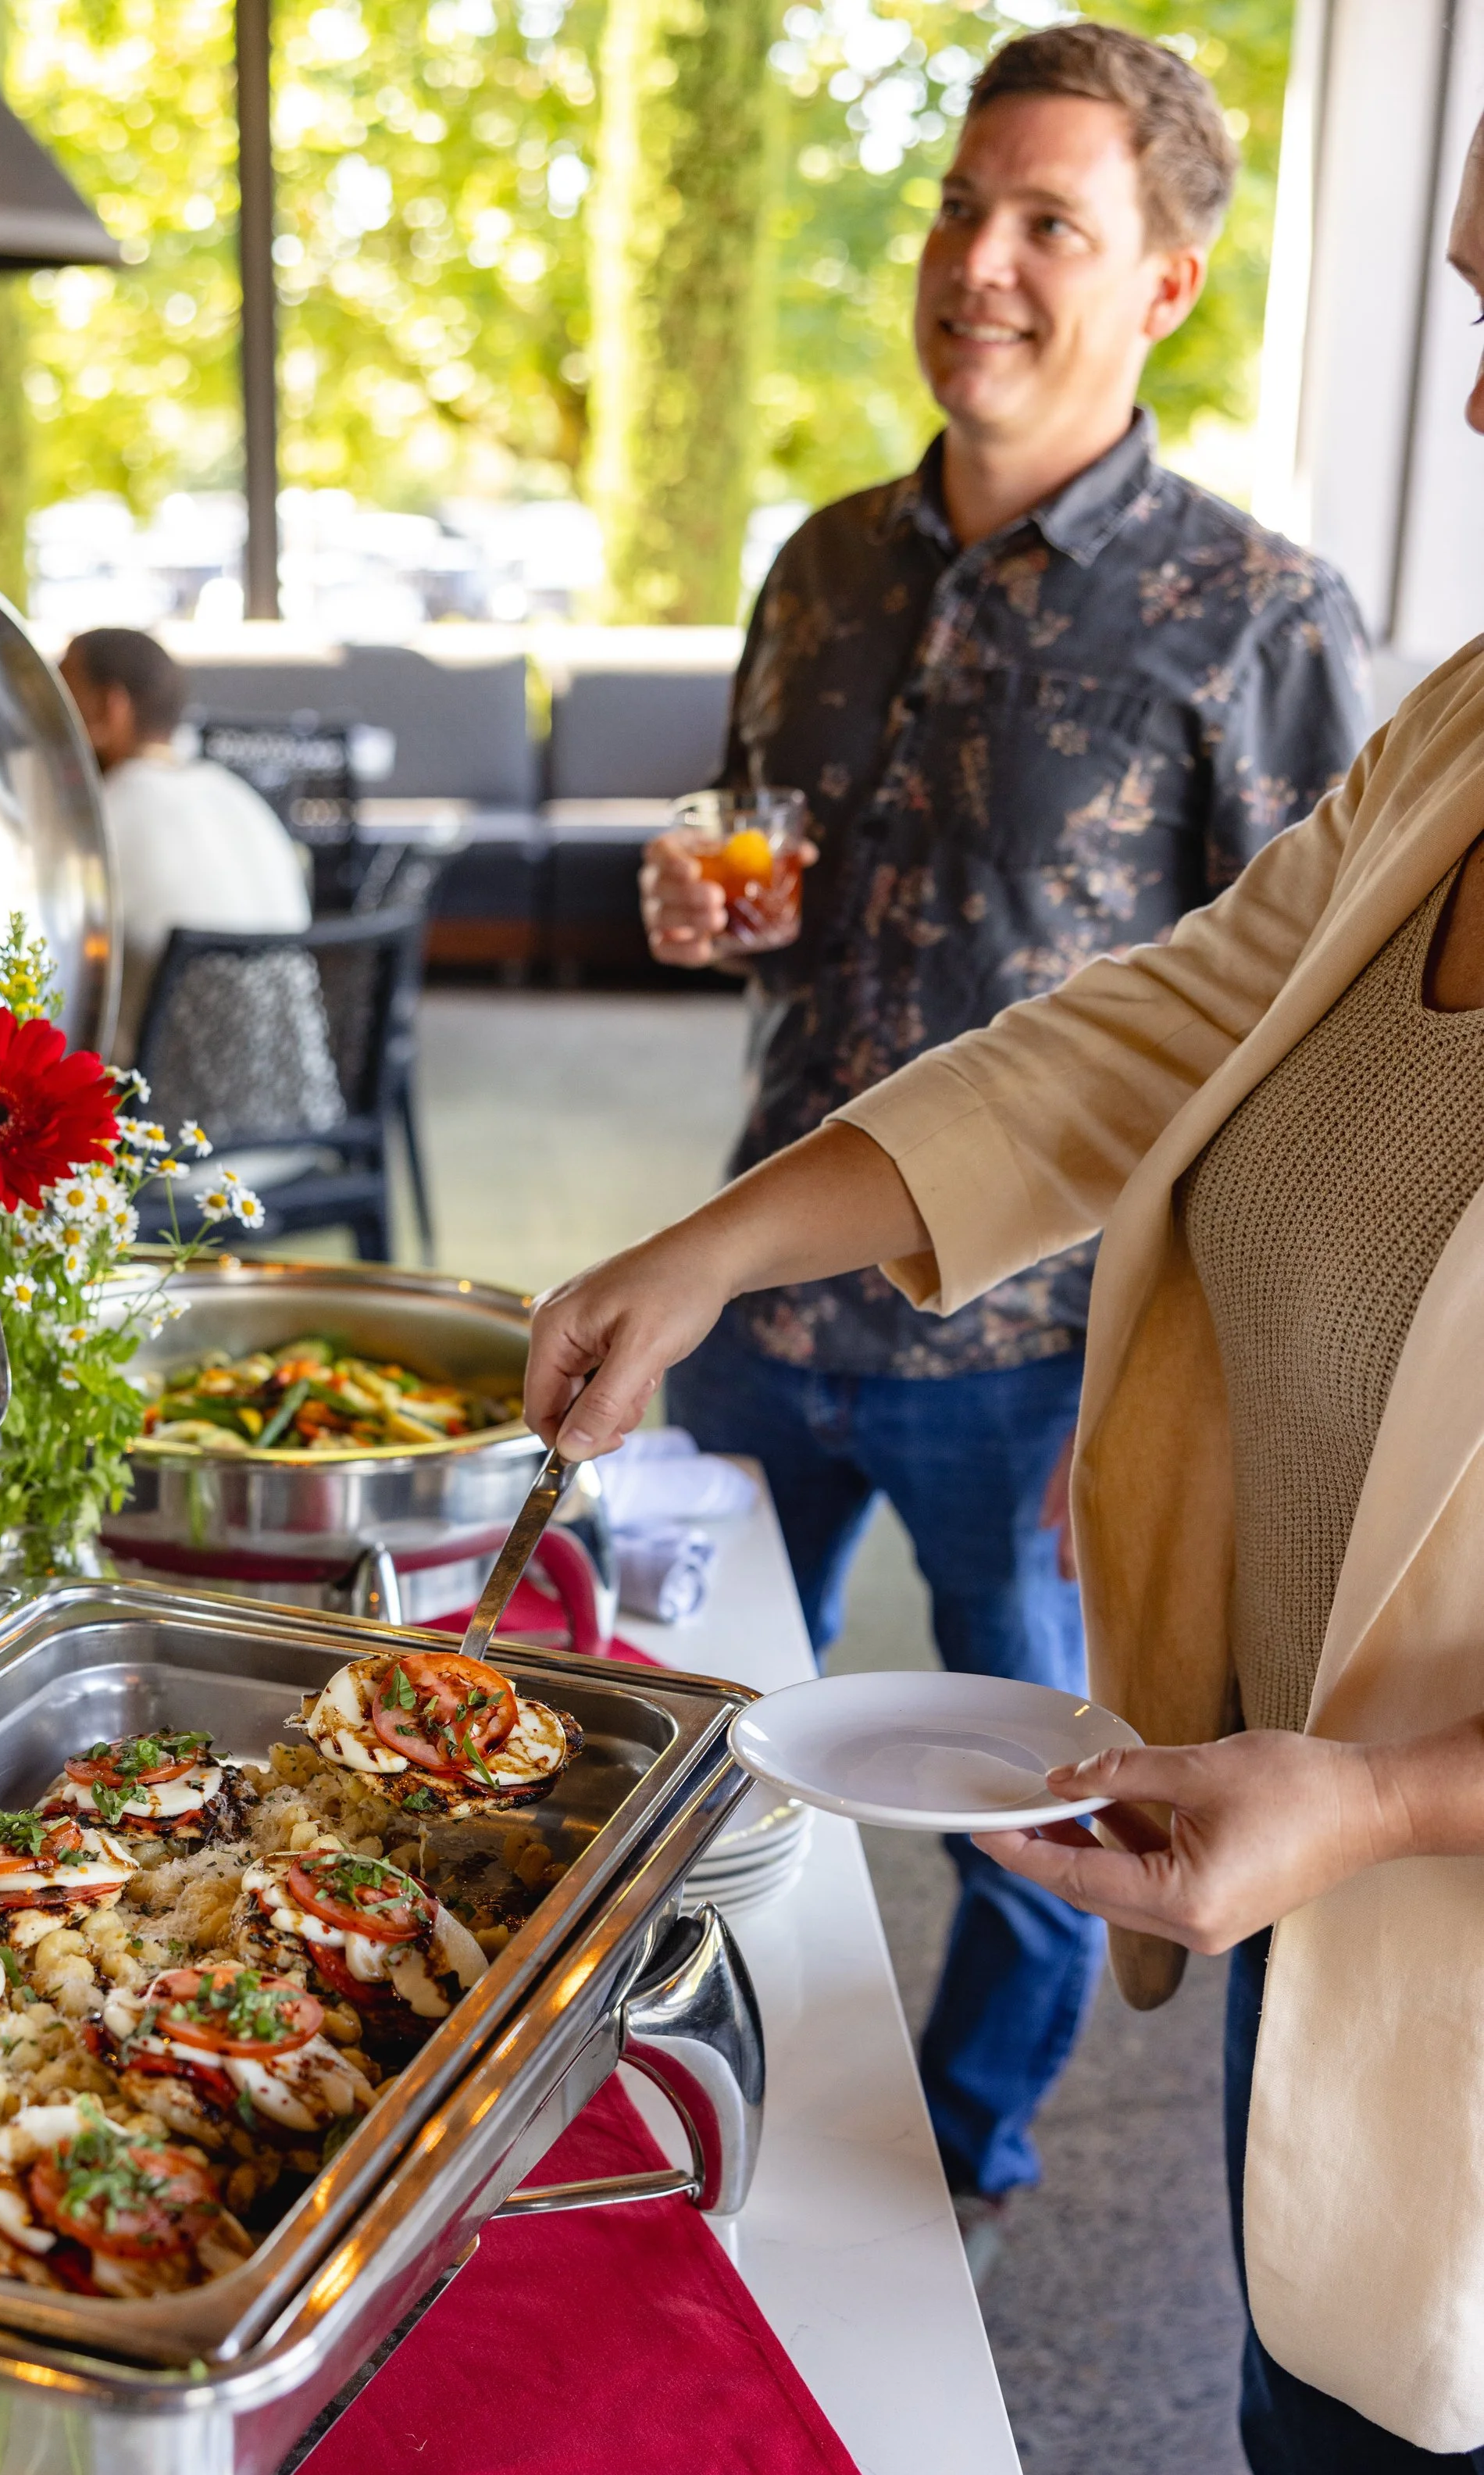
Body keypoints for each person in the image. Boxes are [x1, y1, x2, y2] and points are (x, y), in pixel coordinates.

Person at [526, 90, 1484, 2475]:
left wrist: (1397, 1796)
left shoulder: (1277, 626)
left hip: (1406, 1889)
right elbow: (1138, 1032)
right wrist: (703, 1249)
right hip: (1347, 1952)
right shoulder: (1460, 733)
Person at [642, 22, 1367, 2252]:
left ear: (1160, 281)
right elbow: (767, 874)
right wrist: (703, 910)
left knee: (1032, 1808)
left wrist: (1195, 1393)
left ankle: (955, 2155)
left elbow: (1305, 1044)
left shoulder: (1256, 623)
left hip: (1035, 1364)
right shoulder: (820, 566)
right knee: (683, 1722)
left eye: (1051, 219)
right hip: (763, 1290)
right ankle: (672, 2073)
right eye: (964, 207)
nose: (980, 262)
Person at [59, 626, 312, 1071]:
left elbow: (44, 966)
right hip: (294, 1113)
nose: (50, 725)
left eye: (62, 698)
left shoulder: (101, 821)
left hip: (168, 1124)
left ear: (109, 710)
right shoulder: (240, 797)